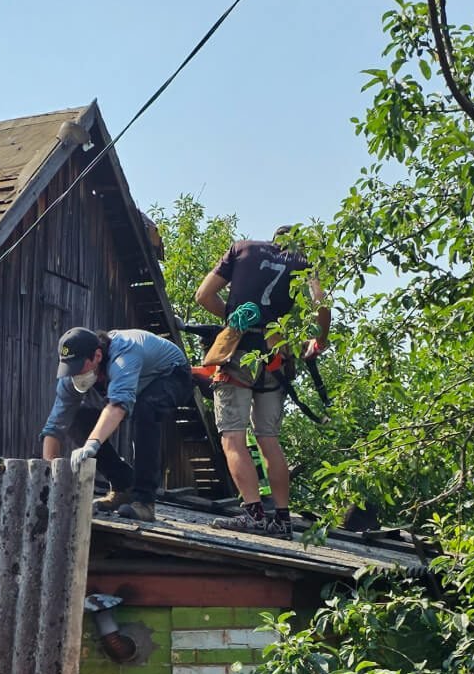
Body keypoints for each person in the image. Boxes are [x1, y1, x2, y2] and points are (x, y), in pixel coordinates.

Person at [193, 226, 331, 535]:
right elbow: (320, 303)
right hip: (276, 354)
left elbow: (203, 295)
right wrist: (318, 342)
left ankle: (254, 513)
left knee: (233, 436)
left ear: (273, 237)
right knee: (268, 439)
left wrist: (234, 317)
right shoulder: (303, 262)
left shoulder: (242, 249)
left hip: (238, 351)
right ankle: (282, 519)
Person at [41, 325, 192, 524]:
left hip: (172, 375)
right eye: (70, 368)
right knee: (76, 419)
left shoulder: (124, 355)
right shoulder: (71, 377)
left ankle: (144, 502)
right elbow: (55, 425)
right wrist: (51, 475)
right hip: (135, 388)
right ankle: (123, 486)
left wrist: (91, 444)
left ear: (97, 356)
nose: (75, 373)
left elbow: (118, 406)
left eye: (79, 366)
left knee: (146, 409)